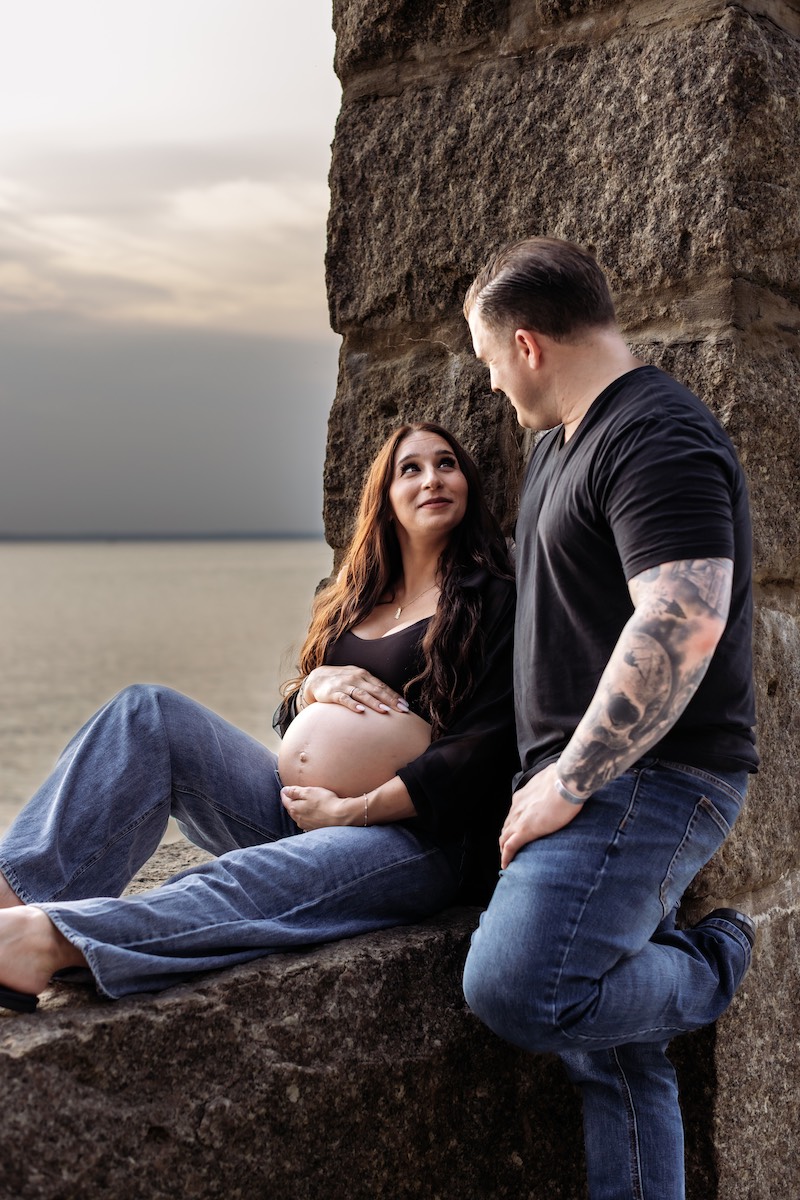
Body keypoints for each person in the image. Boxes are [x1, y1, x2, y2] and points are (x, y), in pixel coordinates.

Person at [0, 423, 517, 1011]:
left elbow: (486, 746)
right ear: (386, 498)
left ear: (467, 483)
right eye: (411, 469)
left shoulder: (494, 599)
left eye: (446, 464)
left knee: (250, 882)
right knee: (145, 712)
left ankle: (46, 940)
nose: (433, 479)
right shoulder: (358, 597)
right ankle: (12, 899)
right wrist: (312, 687)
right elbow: (293, 718)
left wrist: (354, 811)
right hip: (296, 807)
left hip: (412, 840)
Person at [460, 237, 758, 1200]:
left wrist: (568, 781)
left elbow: (683, 617)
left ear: (529, 344)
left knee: (522, 985)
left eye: (490, 360)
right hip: (586, 776)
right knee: (617, 1054)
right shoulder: (559, 444)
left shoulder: (654, 433)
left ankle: (710, 967)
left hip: (648, 780)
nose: (494, 384)